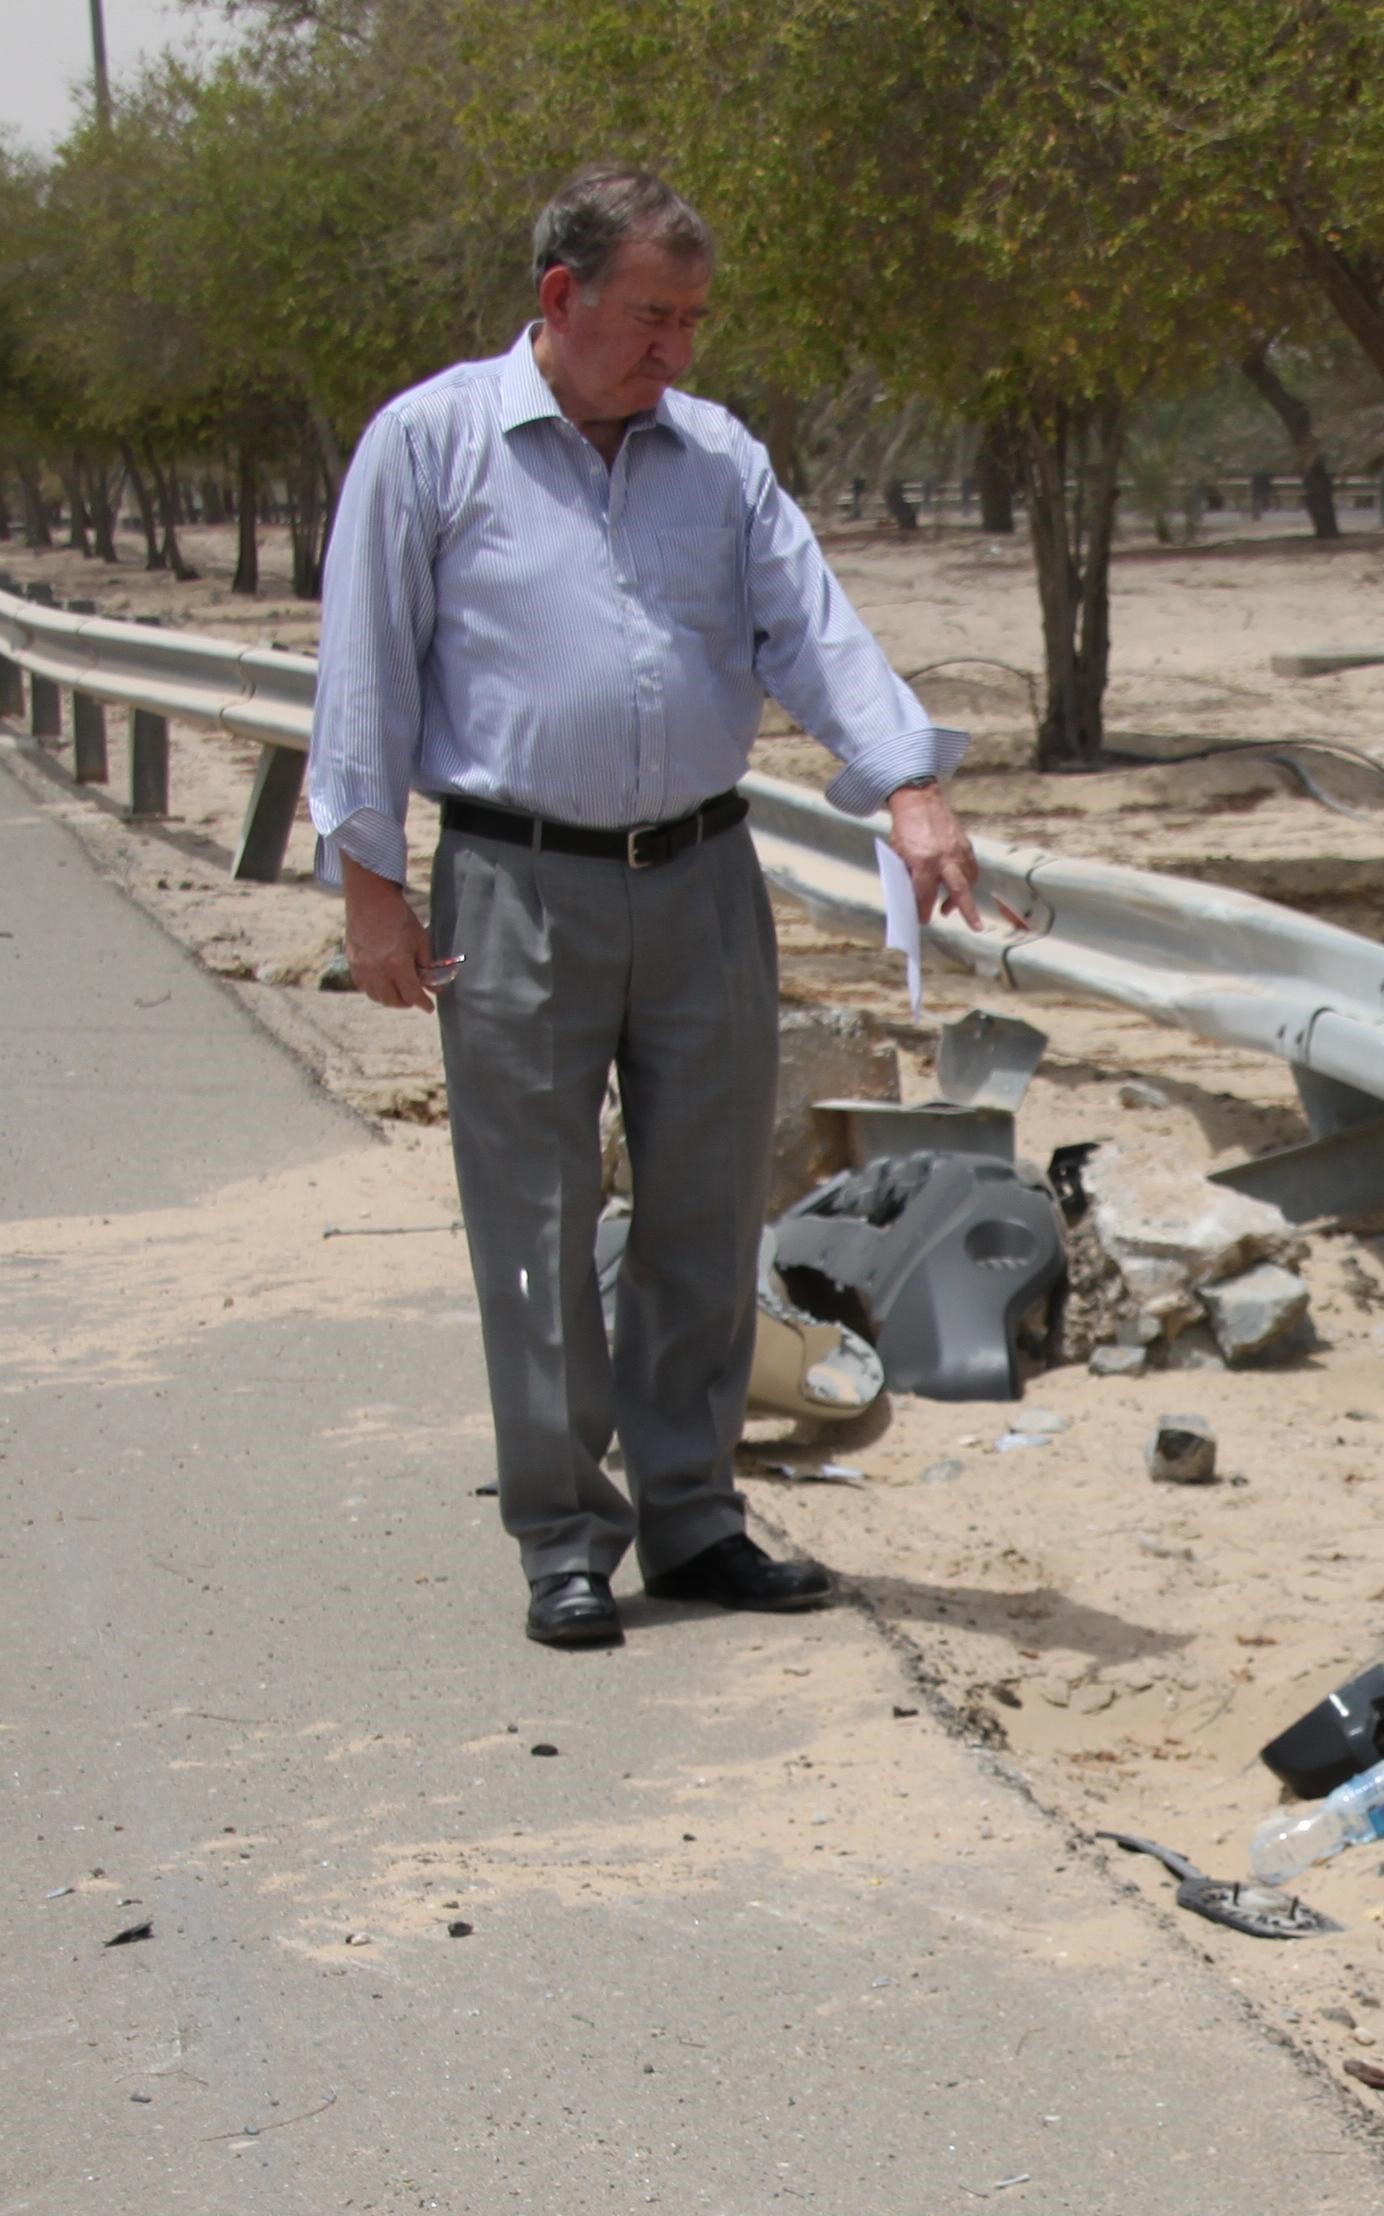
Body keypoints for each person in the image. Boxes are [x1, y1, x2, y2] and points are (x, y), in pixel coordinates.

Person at [307, 165, 994, 1651]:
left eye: (693, 319)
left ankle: (692, 1516)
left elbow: (811, 630)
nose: (678, 347)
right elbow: (362, 665)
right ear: (561, 302)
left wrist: (908, 788)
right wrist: (366, 880)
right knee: (535, 1216)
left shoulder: (717, 460)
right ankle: (565, 1532)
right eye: (651, 317)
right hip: (513, 884)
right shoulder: (431, 447)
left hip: (699, 880)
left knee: (700, 1206)